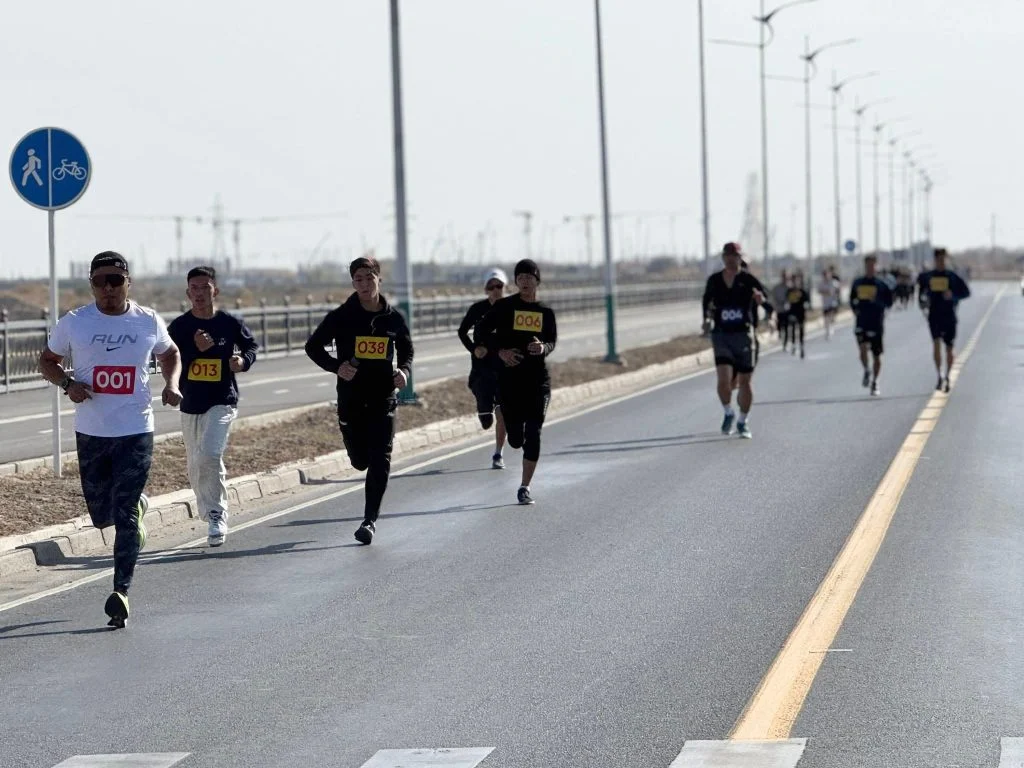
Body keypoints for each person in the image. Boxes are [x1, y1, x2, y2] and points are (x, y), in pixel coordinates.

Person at [38, 252, 182, 629]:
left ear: (127, 282)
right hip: (91, 430)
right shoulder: (75, 322)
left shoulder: (147, 320)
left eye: (115, 281)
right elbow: (47, 360)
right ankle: (136, 509)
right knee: (102, 515)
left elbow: (170, 353)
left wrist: (172, 384)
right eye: (100, 281)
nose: (108, 289)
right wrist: (68, 385)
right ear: (91, 284)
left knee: (123, 516)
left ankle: (121, 591)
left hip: (135, 429)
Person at [305, 256, 413, 545]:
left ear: (379, 279)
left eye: (369, 277)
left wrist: (403, 370)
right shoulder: (342, 316)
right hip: (351, 399)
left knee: (381, 458)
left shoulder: (393, 318)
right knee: (360, 461)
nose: (364, 284)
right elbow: (313, 347)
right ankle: (350, 439)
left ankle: (369, 521)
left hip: (383, 397)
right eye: (358, 279)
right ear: (353, 283)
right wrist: (336, 366)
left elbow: (407, 350)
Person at [168, 266, 259, 548]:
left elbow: (251, 346)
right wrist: (195, 350)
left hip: (222, 400)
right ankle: (209, 511)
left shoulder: (229, 323)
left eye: (204, 287)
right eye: (194, 288)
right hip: (191, 402)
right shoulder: (179, 327)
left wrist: (243, 361)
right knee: (196, 464)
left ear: (214, 291)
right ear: (187, 293)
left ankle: (217, 513)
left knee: (209, 454)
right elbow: (168, 357)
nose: (199, 293)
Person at [473, 258, 557, 505]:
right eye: (520, 278)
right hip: (509, 382)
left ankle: (524, 487)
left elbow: (551, 341)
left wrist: (543, 348)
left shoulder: (545, 312)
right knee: (516, 439)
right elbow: (480, 333)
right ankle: (513, 438)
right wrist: (500, 352)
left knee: (534, 433)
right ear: (516, 282)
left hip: (537, 383)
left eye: (529, 278)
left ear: (537, 281)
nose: (525, 282)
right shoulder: (504, 308)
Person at [702, 242, 767, 439]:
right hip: (722, 334)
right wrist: (705, 320)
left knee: (745, 382)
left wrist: (761, 300)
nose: (731, 258)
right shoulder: (714, 280)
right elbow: (706, 302)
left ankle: (743, 420)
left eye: (735, 255)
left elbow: (765, 297)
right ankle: (728, 412)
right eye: (727, 255)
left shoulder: (747, 280)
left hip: (743, 335)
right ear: (723, 258)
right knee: (724, 379)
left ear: (740, 258)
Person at [457, 268, 508, 469]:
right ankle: (483, 410)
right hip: (481, 371)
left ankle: (498, 454)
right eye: (491, 286)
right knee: (487, 419)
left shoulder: (512, 309)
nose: (495, 290)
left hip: (504, 370)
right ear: (486, 289)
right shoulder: (478, 309)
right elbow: (462, 332)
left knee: (502, 413)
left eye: (499, 286)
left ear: (505, 287)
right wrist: (474, 348)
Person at [916, 247, 970, 392]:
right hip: (934, 315)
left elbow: (966, 292)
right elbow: (921, 293)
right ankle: (939, 374)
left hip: (949, 315)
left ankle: (948, 375)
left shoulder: (953, 276)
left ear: (946, 260)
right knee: (936, 344)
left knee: (949, 348)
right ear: (935, 260)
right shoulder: (928, 277)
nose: (941, 262)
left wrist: (953, 296)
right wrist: (923, 304)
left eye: (943, 259)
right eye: (938, 259)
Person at [849, 255, 894, 397]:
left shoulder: (881, 285)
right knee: (862, 349)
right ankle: (866, 370)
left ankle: (875, 382)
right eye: (868, 265)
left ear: (876, 266)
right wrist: (855, 308)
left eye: (872, 265)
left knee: (876, 355)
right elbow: (852, 299)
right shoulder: (858, 283)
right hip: (862, 321)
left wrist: (878, 302)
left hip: (876, 322)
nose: (870, 268)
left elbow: (889, 302)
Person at [785, 272, 811, 358]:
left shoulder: (802, 291)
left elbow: (807, 301)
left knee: (801, 329)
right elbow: (787, 301)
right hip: (792, 312)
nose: (796, 282)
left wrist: (806, 306)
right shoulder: (790, 291)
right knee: (792, 328)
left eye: (797, 280)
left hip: (801, 313)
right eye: (794, 280)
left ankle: (801, 346)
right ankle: (793, 345)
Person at [818, 267, 840, 339]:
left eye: (826, 275)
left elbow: (838, 288)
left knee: (831, 316)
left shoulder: (833, 282)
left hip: (832, 302)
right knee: (826, 318)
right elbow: (819, 291)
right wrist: (825, 292)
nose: (825, 276)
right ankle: (827, 331)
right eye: (824, 275)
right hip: (825, 303)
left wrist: (836, 295)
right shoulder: (821, 283)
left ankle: (831, 327)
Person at [771, 269, 790, 348]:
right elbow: (773, 296)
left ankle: (785, 343)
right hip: (779, 309)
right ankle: (779, 335)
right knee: (779, 325)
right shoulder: (777, 288)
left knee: (786, 327)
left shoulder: (790, 288)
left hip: (787, 310)